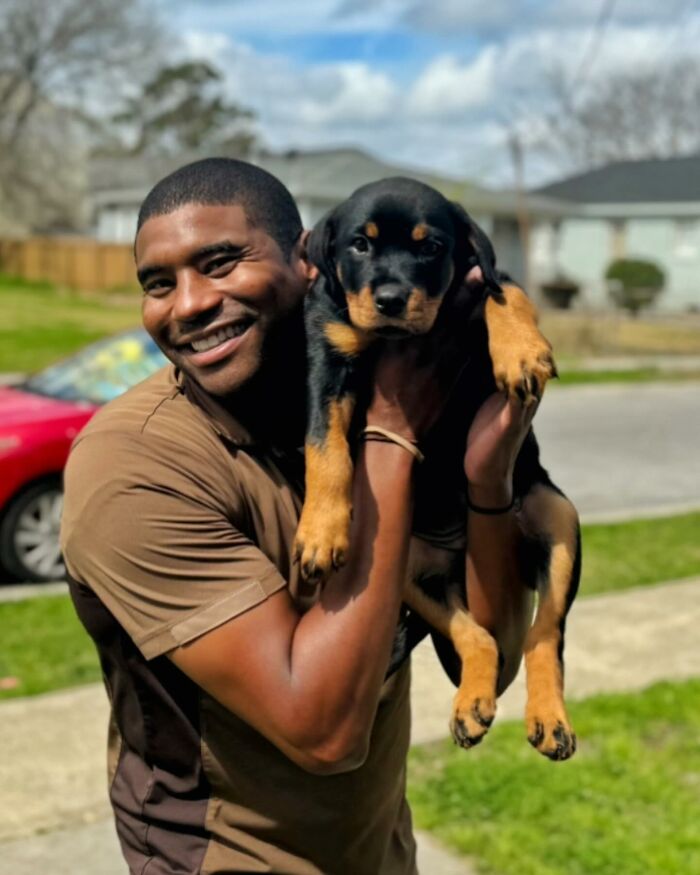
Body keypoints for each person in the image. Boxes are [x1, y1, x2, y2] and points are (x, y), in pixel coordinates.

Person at [61, 157, 537, 875]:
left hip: (379, 852)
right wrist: (391, 433)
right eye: (158, 284)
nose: (187, 303)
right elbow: (324, 732)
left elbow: (490, 661)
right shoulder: (135, 468)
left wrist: (487, 477)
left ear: (308, 258)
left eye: (220, 263)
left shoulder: (363, 404)